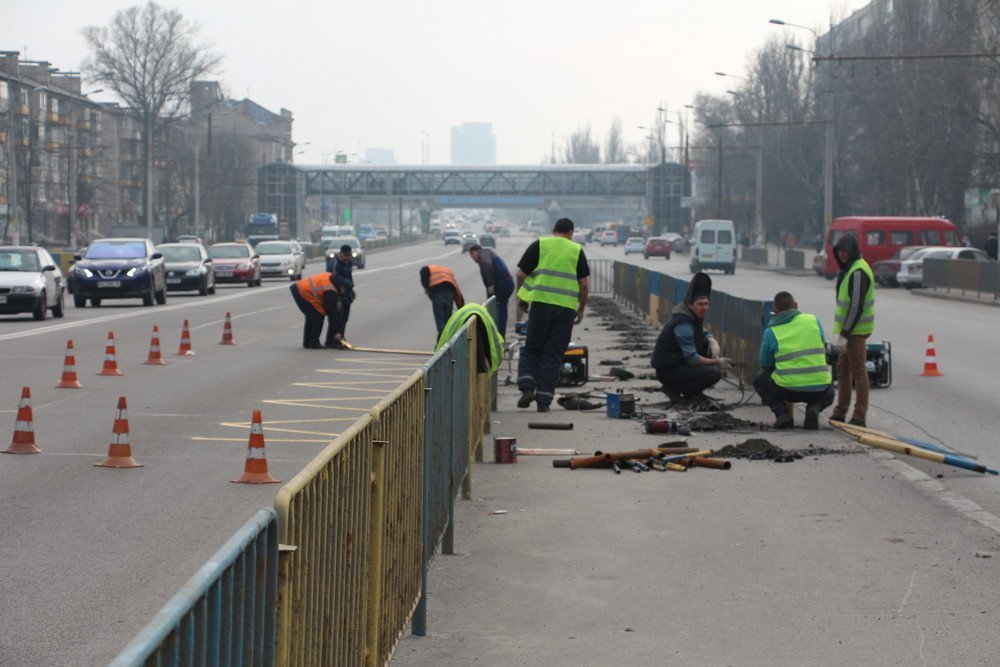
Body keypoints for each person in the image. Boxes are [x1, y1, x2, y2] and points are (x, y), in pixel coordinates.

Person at [515, 217, 589, 412]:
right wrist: (580, 309)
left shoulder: (540, 244)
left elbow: (521, 275)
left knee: (532, 348)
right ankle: (544, 400)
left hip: (540, 305)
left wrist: (522, 298)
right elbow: (584, 285)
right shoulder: (576, 250)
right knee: (553, 353)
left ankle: (527, 388)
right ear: (571, 232)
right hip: (565, 310)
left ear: (553, 229)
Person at [753, 291, 835, 430]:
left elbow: (765, 364)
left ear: (775, 310)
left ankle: (782, 415)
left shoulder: (771, 331)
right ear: (796, 305)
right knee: (830, 388)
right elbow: (822, 344)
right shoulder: (814, 320)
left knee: (759, 380)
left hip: (787, 390)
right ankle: (814, 408)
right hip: (819, 390)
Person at [650, 272, 732, 406]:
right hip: (668, 370)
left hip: (678, 364)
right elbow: (692, 359)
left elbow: (700, 332)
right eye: (700, 304)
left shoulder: (690, 317)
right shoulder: (683, 323)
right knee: (714, 374)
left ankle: (694, 393)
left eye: (706, 304)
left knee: (706, 347)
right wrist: (717, 362)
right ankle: (676, 389)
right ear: (689, 304)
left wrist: (711, 339)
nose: (704, 307)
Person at [830, 234, 875, 427]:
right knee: (843, 370)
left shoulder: (858, 272)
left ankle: (859, 415)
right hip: (849, 330)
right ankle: (840, 411)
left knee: (858, 371)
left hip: (855, 331)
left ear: (852, 251)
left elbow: (856, 306)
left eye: (845, 251)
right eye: (839, 252)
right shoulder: (849, 270)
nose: (842, 255)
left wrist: (845, 334)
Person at [289, 273, 351, 349]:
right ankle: (314, 342)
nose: (343, 294)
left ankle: (308, 342)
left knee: (311, 317)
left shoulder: (333, 279)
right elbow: (331, 313)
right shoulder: (331, 291)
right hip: (302, 291)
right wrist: (336, 332)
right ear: (342, 287)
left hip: (299, 288)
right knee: (317, 317)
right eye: (344, 292)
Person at [468, 243, 514, 337]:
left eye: (472, 256)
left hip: (503, 283)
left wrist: (491, 284)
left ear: (475, 251)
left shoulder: (483, 253)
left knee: (499, 308)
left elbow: (487, 264)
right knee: (500, 308)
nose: (473, 259)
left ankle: (499, 335)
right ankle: (499, 334)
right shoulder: (487, 253)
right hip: (506, 283)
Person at [419, 265, 464, 339]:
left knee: (440, 320)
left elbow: (424, 276)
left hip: (437, 294)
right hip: (450, 293)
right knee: (448, 320)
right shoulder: (447, 271)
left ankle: (443, 343)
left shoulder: (426, 269)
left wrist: (428, 290)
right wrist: (461, 305)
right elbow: (456, 287)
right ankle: (449, 340)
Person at [328, 244, 356, 338]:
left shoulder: (348, 263)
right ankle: (334, 340)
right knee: (338, 318)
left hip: (346, 294)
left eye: (349, 255)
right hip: (338, 295)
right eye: (346, 255)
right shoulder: (335, 265)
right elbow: (333, 279)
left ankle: (341, 338)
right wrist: (346, 284)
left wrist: (350, 288)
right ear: (341, 254)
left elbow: (349, 277)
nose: (348, 257)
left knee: (344, 318)